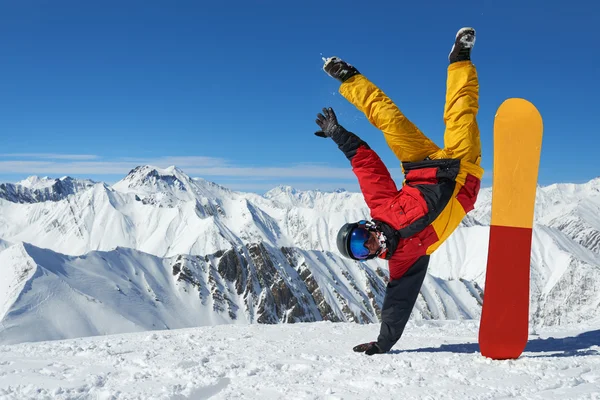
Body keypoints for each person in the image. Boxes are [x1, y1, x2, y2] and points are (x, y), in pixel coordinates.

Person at [314, 27, 484, 355]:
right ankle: (460, 63)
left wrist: (337, 134)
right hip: (463, 176)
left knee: (389, 119)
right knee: (461, 116)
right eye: (363, 249)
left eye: (362, 235)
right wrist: (384, 342)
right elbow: (398, 303)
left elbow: (367, 166)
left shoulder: (380, 208)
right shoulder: (404, 262)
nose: (371, 242)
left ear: (366, 225)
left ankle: (347, 77)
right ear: (368, 257)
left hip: (423, 168)